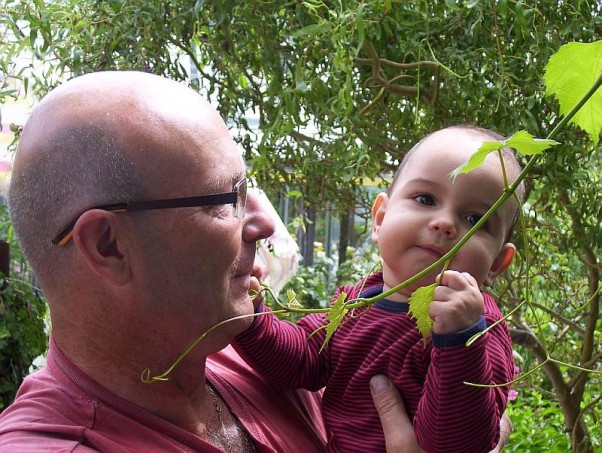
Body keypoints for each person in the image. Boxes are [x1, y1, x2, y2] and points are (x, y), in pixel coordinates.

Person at [0, 70, 426, 452]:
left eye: (248, 188)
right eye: (227, 199)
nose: (263, 224)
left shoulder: (260, 358)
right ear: (110, 245)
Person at [234, 125, 522, 452]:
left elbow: (457, 444)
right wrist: (252, 316)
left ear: (498, 262)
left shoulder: (479, 329)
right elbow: (303, 361)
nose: (446, 224)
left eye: (475, 220)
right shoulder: (358, 301)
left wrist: (459, 340)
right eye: (426, 199)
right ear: (380, 218)